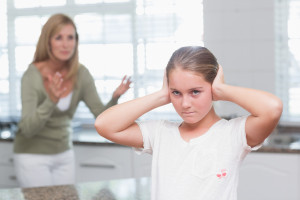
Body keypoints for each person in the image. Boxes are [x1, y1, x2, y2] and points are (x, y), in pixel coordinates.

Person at [94, 46, 283, 200]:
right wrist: (161, 96)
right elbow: (104, 125)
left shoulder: (233, 134)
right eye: (176, 92)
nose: (185, 104)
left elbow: (272, 108)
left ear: (212, 88)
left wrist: (222, 90)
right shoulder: (159, 133)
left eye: (195, 92)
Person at [13, 13, 131, 188]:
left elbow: (100, 115)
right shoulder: (32, 75)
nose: (66, 44)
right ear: (48, 41)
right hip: (32, 155)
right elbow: (28, 128)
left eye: (70, 37)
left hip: (64, 154)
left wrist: (115, 98)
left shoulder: (81, 74)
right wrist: (51, 100)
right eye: (59, 37)